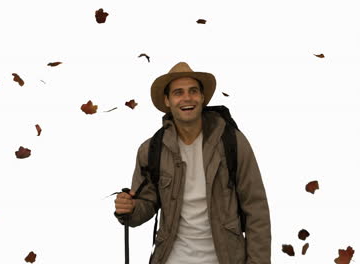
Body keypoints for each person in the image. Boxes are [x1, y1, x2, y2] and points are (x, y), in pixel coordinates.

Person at [114, 62, 271, 264]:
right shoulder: (152, 149)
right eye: (178, 92)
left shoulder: (232, 141)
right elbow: (145, 205)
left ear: (202, 97)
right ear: (167, 100)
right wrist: (129, 208)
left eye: (193, 91)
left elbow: (256, 209)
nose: (187, 98)